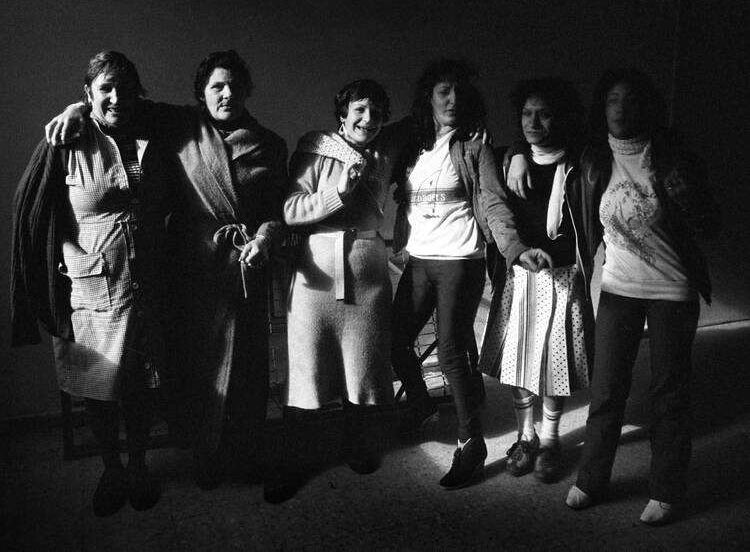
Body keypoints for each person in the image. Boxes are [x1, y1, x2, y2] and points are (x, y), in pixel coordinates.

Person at [43, 50, 288, 491]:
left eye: (235, 85)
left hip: (243, 266)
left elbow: (277, 209)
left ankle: (246, 452)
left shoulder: (270, 143)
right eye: (216, 86)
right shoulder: (181, 125)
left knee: (248, 368)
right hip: (191, 266)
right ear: (201, 93)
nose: (227, 94)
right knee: (196, 368)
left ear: (248, 90)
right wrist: (76, 108)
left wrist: (266, 238)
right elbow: (120, 105)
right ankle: (203, 453)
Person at [12, 51, 167, 516]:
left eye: (125, 88)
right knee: (97, 386)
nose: (116, 97)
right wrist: (68, 257)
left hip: (145, 282)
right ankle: (111, 469)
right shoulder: (66, 138)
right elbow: (34, 210)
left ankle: (138, 466)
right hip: (91, 287)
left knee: (139, 384)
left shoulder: (151, 132)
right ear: (88, 94)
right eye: (105, 89)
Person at [562, 69, 720, 525]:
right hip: (618, 288)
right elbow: (538, 138)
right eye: (613, 98)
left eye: (630, 99)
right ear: (602, 106)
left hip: (672, 288)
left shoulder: (673, 157)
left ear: (646, 107)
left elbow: (711, 225)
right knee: (606, 390)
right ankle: (592, 479)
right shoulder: (593, 157)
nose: (620, 107)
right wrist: (515, 155)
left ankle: (667, 489)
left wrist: (690, 200)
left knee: (669, 393)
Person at [265, 79, 396, 503]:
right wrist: (337, 192)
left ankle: (356, 444)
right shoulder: (316, 149)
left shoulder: (384, 153)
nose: (368, 119)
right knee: (305, 370)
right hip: (317, 276)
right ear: (342, 114)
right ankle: (291, 460)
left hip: (368, 275)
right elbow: (290, 209)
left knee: (363, 366)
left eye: (376, 112)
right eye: (360, 110)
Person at [390, 59, 516, 489]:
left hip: (460, 261)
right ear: (428, 97)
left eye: (460, 92)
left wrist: (513, 247)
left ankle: (471, 444)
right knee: (396, 341)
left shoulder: (475, 147)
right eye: (443, 91)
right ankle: (421, 404)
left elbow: (493, 201)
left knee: (450, 352)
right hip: (419, 260)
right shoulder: (415, 147)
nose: (453, 99)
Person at [478, 77, 592, 483]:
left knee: (554, 365)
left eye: (544, 114)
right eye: (526, 114)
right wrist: (516, 152)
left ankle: (551, 440)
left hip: (563, 277)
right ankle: (526, 437)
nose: (533, 122)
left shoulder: (580, 162)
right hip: (520, 276)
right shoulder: (506, 160)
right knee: (518, 362)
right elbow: (494, 210)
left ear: (561, 117)